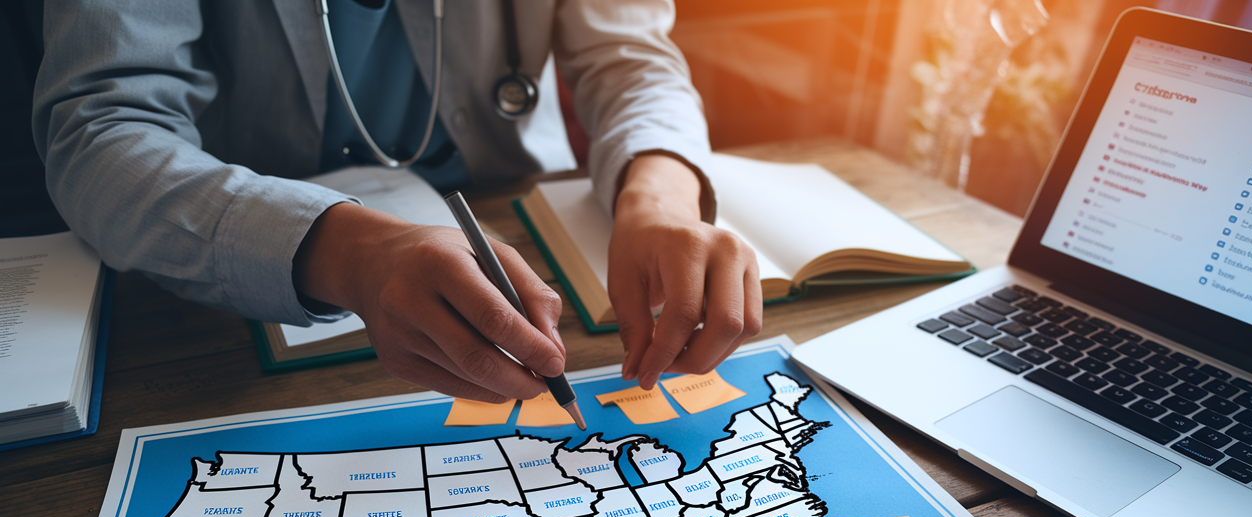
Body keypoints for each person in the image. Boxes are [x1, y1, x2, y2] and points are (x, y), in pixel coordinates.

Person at [32, 0, 762, 402]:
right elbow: (100, 133)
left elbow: (633, 62)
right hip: (230, 293)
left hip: (504, 221)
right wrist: (347, 253)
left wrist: (661, 195)